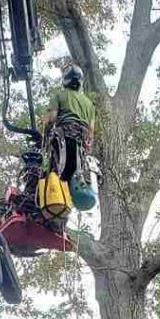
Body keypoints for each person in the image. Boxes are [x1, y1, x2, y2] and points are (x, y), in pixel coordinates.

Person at [43, 65, 96, 211]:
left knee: (54, 174)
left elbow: (51, 118)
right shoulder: (89, 104)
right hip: (80, 148)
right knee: (71, 176)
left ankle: (51, 204)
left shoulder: (59, 95)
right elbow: (91, 132)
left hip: (63, 140)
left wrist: (45, 133)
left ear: (65, 80)